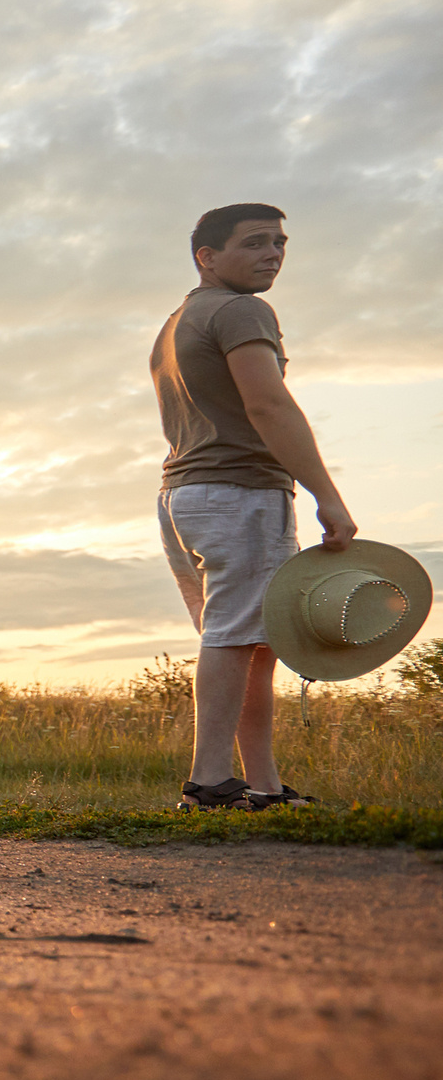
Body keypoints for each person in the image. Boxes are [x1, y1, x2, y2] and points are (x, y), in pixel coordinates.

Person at [151, 204, 354, 811]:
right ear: (207, 257)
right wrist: (328, 494)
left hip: (186, 494)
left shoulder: (180, 318)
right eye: (256, 243)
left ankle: (261, 786)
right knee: (236, 637)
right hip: (236, 492)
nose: (274, 253)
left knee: (254, 644)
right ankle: (209, 782)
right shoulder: (241, 310)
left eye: (280, 243)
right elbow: (269, 406)